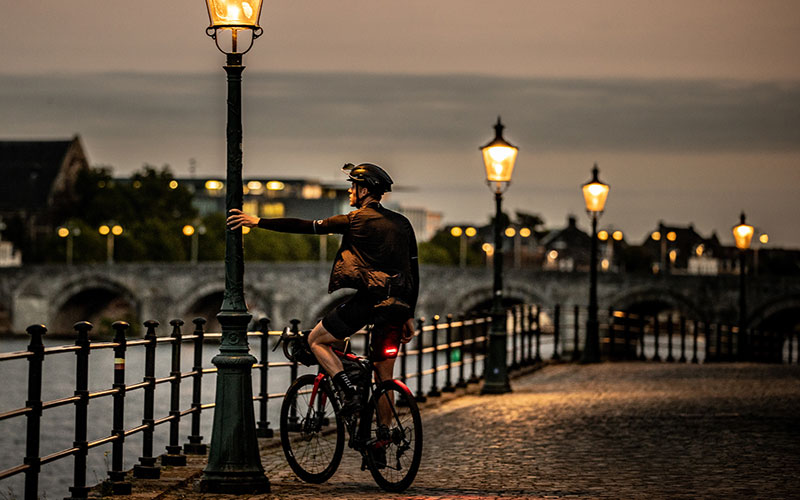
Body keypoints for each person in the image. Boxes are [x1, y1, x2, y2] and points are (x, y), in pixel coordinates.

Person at [227, 162, 419, 417]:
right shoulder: (403, 224)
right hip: (397, 304)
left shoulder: (353, 220)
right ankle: (384, 438)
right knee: (385, 380)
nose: (350, 191)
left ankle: (348, 388)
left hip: (369, 301)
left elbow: (305, 226)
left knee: (315, 340)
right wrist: (408, 313)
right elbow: (413, 272)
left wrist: (258, 221)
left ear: (364, 190)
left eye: (353, 186)